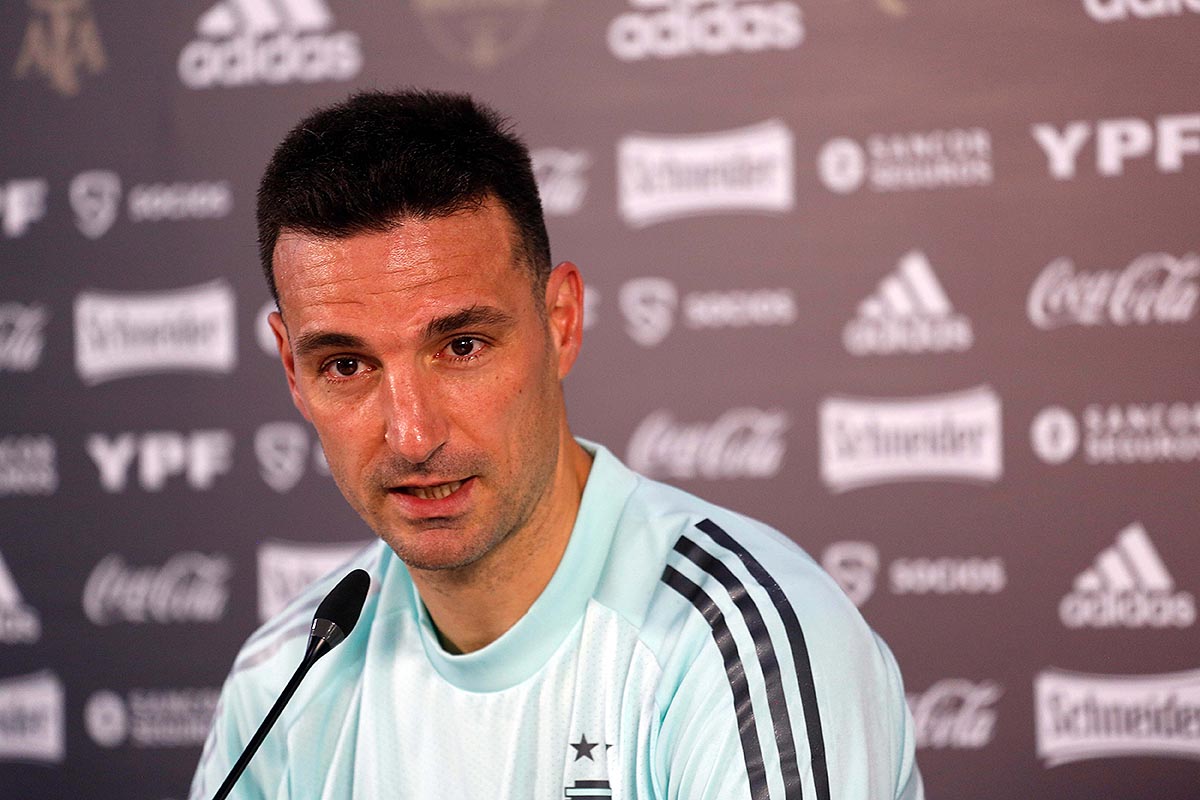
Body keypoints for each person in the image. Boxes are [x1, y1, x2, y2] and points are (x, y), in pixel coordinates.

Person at [190, 89, 923, 800]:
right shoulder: (284, 682)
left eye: (462, 346)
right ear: (292, 370)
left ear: (562, 321)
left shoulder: (738, 649)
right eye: (346, 366)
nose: (412, 435)